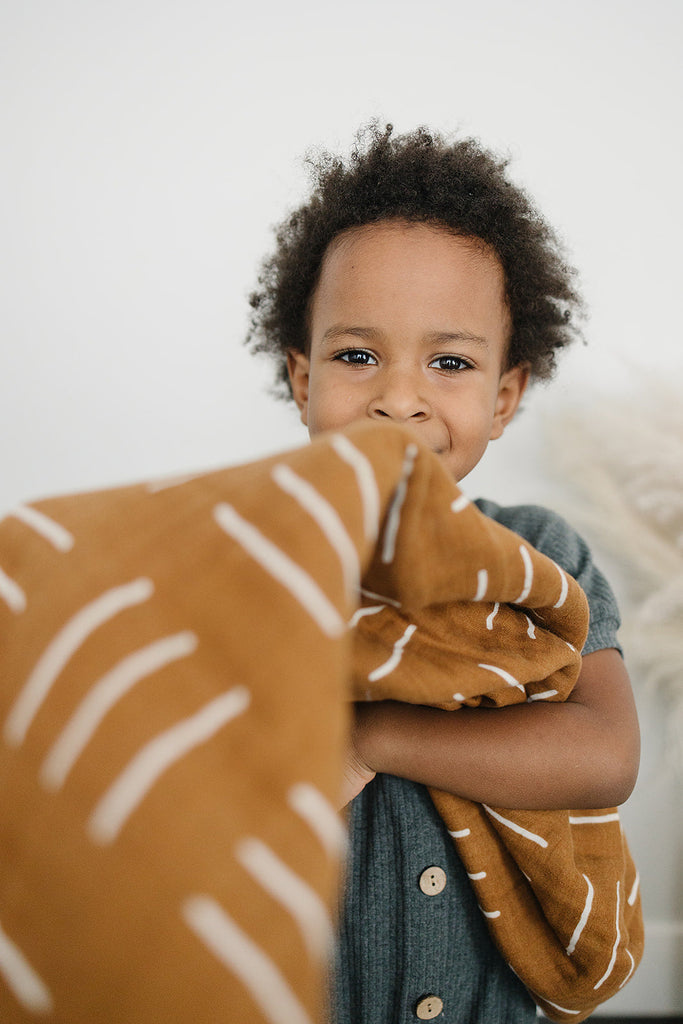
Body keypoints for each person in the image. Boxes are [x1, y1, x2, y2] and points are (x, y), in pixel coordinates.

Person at [246, 123, 641, 1023]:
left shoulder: (541, 556)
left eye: (449, 362)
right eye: (356, 356)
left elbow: (603, 755)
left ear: (503, 397)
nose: (398, 394)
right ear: (301, 377)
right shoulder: (251, 557)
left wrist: (370, 738)